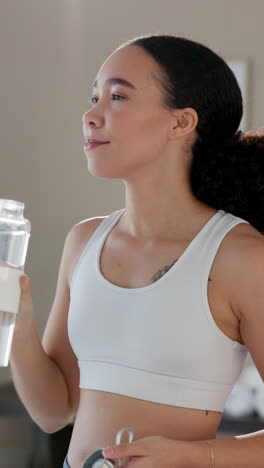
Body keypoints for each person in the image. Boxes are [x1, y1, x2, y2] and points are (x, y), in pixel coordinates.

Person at [10, 33, 264, 468]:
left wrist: (191, 457)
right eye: (94, 97)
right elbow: (53, 412)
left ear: (181, 122)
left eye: (118, 96)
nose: (91, 115)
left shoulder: (240, 257)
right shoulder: (84, 241)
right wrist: (17, 313)